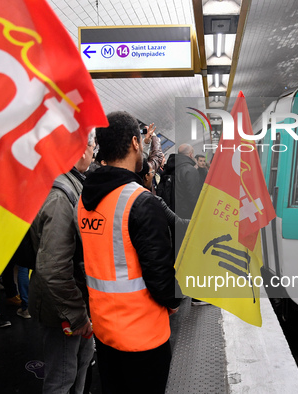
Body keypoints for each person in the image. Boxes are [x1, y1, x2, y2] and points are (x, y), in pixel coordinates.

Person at [77, 111, 180, 394]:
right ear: (136, 143)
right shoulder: (140, 202)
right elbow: (161, 279)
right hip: (143, 338)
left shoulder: (84, 201)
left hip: (105, 334)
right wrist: (175, 300)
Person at [28, 131, 96, 394]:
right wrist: (76, 315)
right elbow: (53, 269)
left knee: (79, 364)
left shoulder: (70, 183)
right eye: (93, 145)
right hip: (62, 307)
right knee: (62, 377)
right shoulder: (60, 195)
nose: (94, 151)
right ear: (80, 150)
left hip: (71, 300)